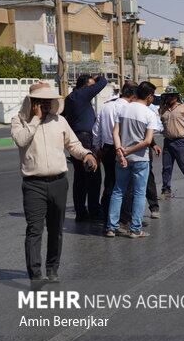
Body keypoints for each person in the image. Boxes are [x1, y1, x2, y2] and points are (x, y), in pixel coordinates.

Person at [11, 82, 97, 284]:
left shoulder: (60, 122)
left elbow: (73, 144)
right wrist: (35, 121)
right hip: (34, 184)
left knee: (55, 228)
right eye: (41, 101)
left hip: (59, 182)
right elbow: (21, 140)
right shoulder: (19, 121)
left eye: (48, 101)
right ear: (31, 102)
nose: (45, 105)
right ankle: (35, 274)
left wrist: (86, 155)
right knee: (34, 229)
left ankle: (52, 269)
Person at [106, 81, 158, 238]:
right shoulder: (149, 114)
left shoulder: (123, 108)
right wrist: (130, 150)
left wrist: (121, 152)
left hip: (121, 158)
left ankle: (111, 227)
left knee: (118, 191)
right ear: (149, 97)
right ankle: (135, 229)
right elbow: (148, 141)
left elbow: (115, 133)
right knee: (139, 193)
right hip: (140, 159)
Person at [62, 74, 107, 222]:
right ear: (85, 86)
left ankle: (81, 212)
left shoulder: (70, 98)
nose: (93, 88)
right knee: (93, 176)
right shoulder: (82, 94)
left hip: (75, 138)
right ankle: (94, 211)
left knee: (80, 178)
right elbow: (103, 83)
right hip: (85, 140)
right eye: (91, 85)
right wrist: (98, 77)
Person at [92, 81, 138, 221]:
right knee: (127, 186)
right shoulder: (129, 109)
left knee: (110, 182)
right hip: (124, 150)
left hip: (107, 149)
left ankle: (107, 217)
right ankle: (125, 219)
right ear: (133, 96)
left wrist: (97, 147)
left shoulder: (106, 107)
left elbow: (96, 130)